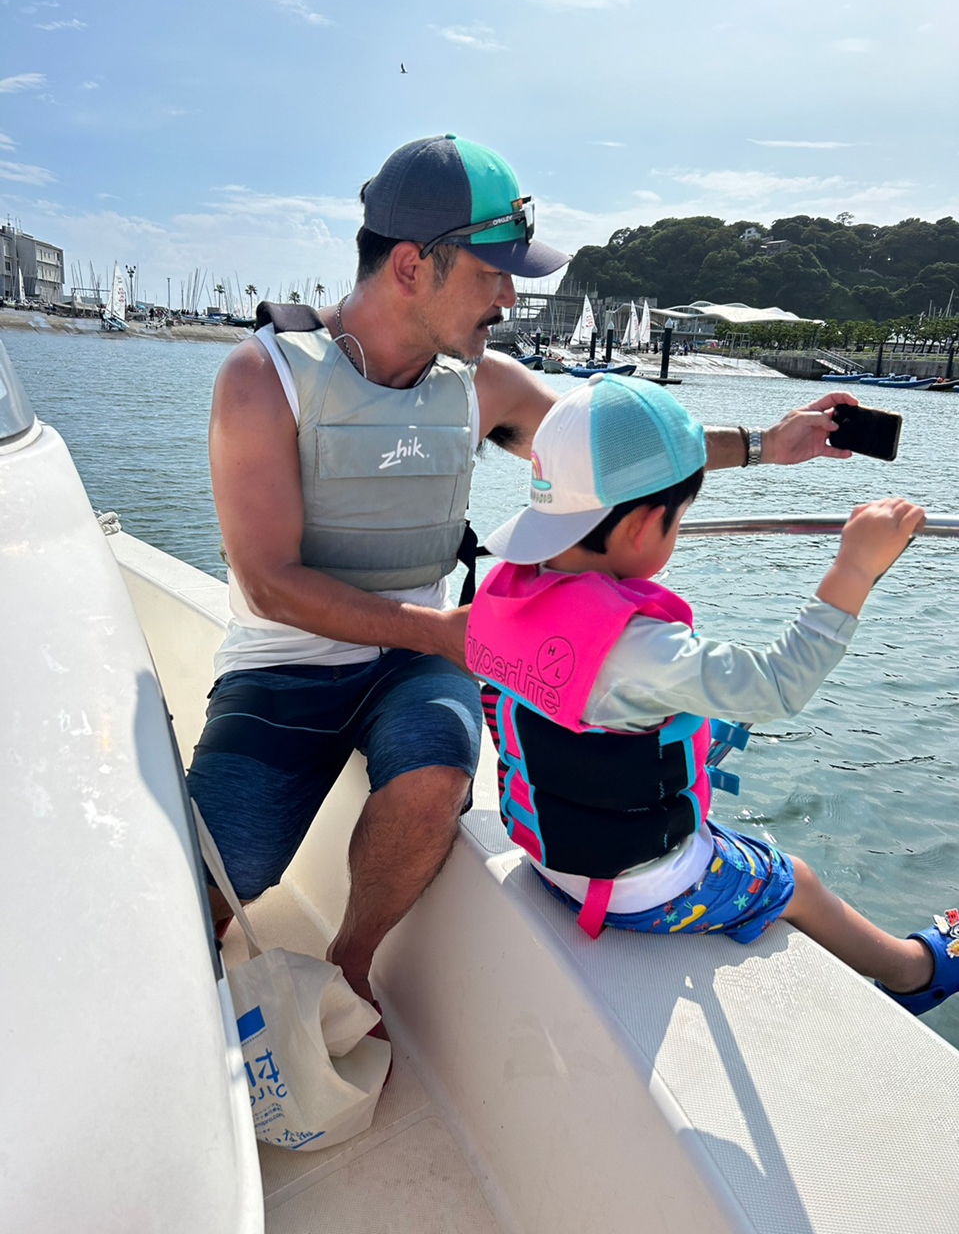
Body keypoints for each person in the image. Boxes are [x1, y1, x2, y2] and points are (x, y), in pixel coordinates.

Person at [187, 131, 865, 1014]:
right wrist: (441, 633)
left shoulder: (484, 385)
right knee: (214, 879)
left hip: (415, 667)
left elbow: (622, 452)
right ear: (411, 266)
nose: (509, 299)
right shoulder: (262, 377)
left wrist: (767, 445)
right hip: (283, 664)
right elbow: (269, 581)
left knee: (435, 780)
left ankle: (350, 968)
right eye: (492, 274)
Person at [466, 375, 958, 1016]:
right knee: (797, 880)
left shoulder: (504, 596)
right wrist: (855, 568)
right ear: (646, 527)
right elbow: (778, 685)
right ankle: (915, 970)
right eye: (678, 519)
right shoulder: (638, 649)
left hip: (550, 858)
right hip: (636, 891)